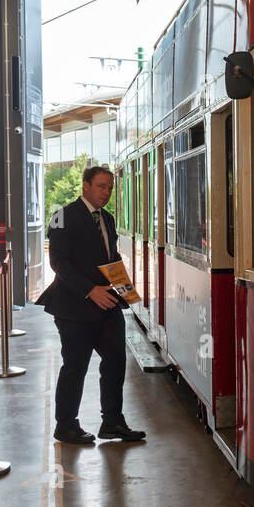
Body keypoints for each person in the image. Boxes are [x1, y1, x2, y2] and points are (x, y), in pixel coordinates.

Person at [36, 165, 146, 444]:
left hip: (108, 303)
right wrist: (90, 290)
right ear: (85, 185)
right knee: (75, 366)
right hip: (74, 307)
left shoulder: (107, 218)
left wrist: (125, 289)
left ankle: (112, 422)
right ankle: (66, 425)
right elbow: (59, 262)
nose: (106, 192)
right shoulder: (62, 216)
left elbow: (111, 257)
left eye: (110, 187)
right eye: (101, 186)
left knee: (116, 362)